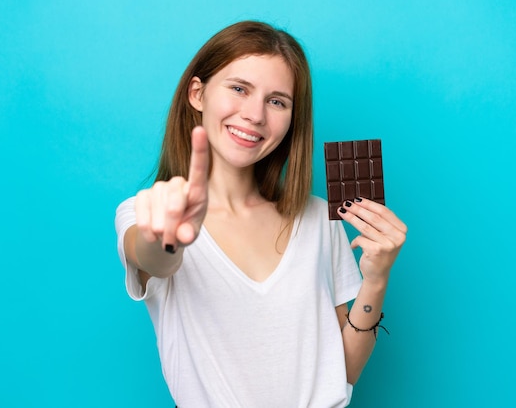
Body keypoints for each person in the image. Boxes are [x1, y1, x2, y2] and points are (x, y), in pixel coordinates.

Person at [115, 20, 407, 407]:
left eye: (277, 101)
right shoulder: (145, 213)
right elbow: (154, 257)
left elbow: (345, 371)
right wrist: (165, 239)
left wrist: (377, 278)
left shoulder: (320, 218)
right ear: (197, 93)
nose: (255, 115)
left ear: (290, 120)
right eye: (239, 88)